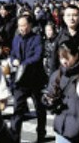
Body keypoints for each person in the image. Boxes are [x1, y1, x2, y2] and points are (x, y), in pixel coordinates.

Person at [43, 41, 79, 143]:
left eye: (67, 57)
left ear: (76, 55)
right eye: (61, 58)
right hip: (60, 129)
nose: (64, 61)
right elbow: (50, 96)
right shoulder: (56, 75)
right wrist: (48, 101)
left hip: (78, 132)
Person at [10, 14, 48, 142]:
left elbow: (38, 56)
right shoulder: (16, 38)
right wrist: (13, 60)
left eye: (24, 25)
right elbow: (12, 54)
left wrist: (23, 63)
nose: (22, 28)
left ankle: (41, 134)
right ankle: (15, 138)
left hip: (35, 79)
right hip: (21, 81)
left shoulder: (37, 38)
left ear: (30, 25)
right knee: (17, 111)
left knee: (40, 109)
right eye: (19, 25)